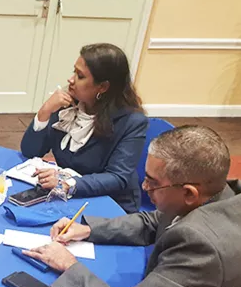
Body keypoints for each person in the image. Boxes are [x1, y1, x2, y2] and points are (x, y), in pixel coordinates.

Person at [23, 125, 241, 287]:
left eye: (153, 183)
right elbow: (155, 221)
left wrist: (69, 265)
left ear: (188, 193)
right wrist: (88, 230)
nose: (144, 187)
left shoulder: (201, 246)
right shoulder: (222, 195)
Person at [20, 43, 147, 214]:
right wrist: (44, 111)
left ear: (102, 87)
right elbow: (30, 151)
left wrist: (68, 183)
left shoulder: (132, 122)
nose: (71, 80)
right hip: (68, 198)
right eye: (74, 72)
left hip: (110, 206)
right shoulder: (67, 106)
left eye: (80, 76)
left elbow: (117, 178)